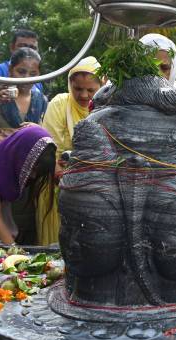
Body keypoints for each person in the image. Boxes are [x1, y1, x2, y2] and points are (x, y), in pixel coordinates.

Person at [39, 56, 101, 246]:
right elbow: (50, 149)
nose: (83, 95)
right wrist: (62, 172)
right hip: (58, 186)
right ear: (69, 85)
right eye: (78, 89)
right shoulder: (59, 104)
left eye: (91, 90)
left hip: (96, 190)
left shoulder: (106, 109)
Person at [0, 47, 47, 131]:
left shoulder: (41, 100)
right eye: (21, 72)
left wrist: (37, 129)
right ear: (10, 70)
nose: (26, 78)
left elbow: (48, 136)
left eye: (33, 74)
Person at [0, 29, 43, 95]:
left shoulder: (37, 82)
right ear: (12, 48)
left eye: (33, 48)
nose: (27, 50)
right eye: (22, 46)